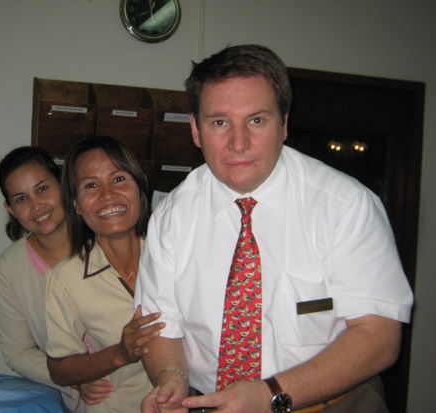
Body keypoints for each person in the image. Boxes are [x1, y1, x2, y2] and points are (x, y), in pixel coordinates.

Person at [136, 45, 414, 413]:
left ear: (283, 124)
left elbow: (378, 337)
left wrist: (270, 395)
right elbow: (160, 327)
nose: (238, 143)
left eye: (256, 120)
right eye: (219, 122)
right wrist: (170, 378)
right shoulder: (171, 216)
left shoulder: (346, 205)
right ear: (196, 129)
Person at [44, 135, 165, 412]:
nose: (108, 195)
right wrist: (120, 353)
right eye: (90, 185)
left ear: (140, 187)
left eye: (119, 179)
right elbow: (59, 369)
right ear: (76, 204)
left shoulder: (172, 257)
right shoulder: (66, 279)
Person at [0, 146, 103, 412]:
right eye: (21, 198)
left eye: (42, 189)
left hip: (138, 385)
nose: (36, 205)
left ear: (63, 185)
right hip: (78, 398)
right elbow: (17, 352)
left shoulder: (106, 241)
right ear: (10, 208)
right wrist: (74, 377)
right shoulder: (10, 267)